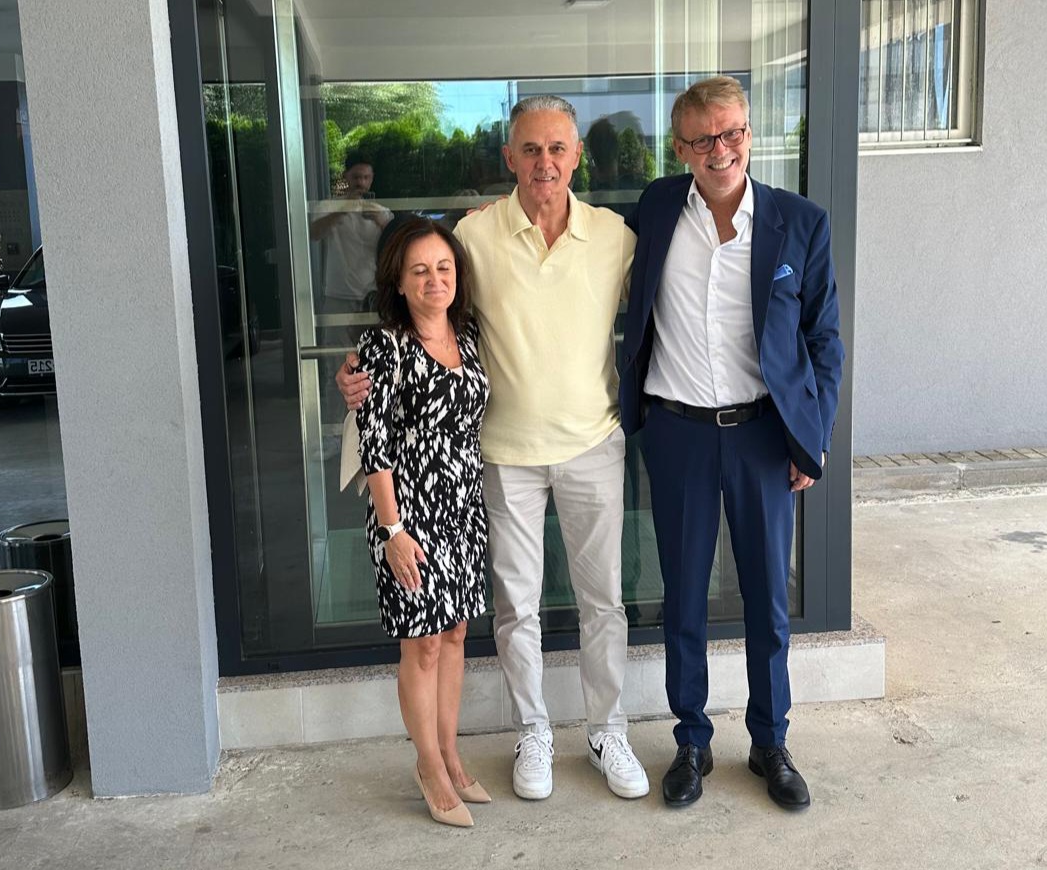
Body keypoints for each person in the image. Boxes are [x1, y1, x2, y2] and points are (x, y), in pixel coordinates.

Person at [340, 97, 649, 802]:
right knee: (516, 608)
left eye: (558, 148)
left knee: (604, 603)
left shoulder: (614, 237)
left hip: (593, 444)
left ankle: (608, 731)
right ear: (510, 158)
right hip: (504, 454)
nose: (545, 163)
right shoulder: (473, 237)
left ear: (577, 156)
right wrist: (356, 369)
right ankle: (532, 732)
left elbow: (672, 305)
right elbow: (416, 303)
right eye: (530, 149)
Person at [620, 76, 845, 811]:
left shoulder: (799, 222)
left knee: (767, 601)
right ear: (680, 148)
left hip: (761, 437)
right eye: (703, 139)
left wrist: (811, 437)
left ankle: (770, 741)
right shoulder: (657, 209)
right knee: (683, 597)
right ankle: (691, 740)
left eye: (733, 133)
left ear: (750, 132)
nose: (721, 150)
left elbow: (823, 340)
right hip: (678, 434)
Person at [355, 217, 491, 828]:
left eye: (443, 267)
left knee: (456, 633)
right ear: (399, 282)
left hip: (463, 509)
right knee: (423, 642)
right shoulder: (382, 347)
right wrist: (392, 532)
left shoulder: (471, 334)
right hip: (407, 515)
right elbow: (374, 445)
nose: (435, 279)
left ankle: (451, 754)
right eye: (420, 271)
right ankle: (429, 767)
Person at [311, 153, 393, 320]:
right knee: (336, 338)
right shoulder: (328, 206)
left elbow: (397, 245)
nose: (360, 182)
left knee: (376, 337)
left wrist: (381, 222)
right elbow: (314, 234)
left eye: (366, 177)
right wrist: (343, 210)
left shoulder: (382, 212)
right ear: (345, 177)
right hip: (338, 294)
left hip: (374, 293)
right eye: (356, 177)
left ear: (372, 179)